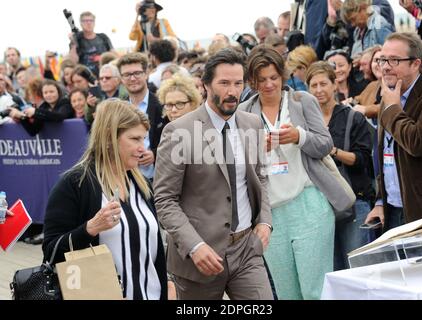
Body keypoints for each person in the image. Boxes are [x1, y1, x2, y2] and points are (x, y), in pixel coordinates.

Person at [154, 48, 274, 300]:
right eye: (224, 83)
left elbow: (261, 177)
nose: (232, 91)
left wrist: (264, 221)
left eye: (238, 83)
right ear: (206, 85)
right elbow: (165, 200)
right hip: (199, 258)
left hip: (246, 250)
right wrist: (194, 246)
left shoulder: (252, 123)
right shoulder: (178, 131)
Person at [42, 99, 168, 300]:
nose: (143, 148)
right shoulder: (76, 183)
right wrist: (90, 228)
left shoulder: (142, 184)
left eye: (144, 139)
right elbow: (51, 252)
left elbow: (153, 251)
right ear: (109, 138)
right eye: (134, 139)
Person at [239, 47, 336, 299]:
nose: (269, 84)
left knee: (315, 291)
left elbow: (325, 144)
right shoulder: (243, 112)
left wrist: (298, 136)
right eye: (262, 79)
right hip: (269, 214)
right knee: (286, 293)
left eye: (274, 77)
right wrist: (256, 147)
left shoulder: (302, 100)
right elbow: (235, 161)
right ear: (253, 81)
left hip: (309, 204)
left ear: (283, 75)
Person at [365, 32, 422, 228]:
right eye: (383, 59)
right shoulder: (389, 97)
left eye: (394, 60)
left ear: (415, 64)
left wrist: (393, 108)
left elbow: (417, 143)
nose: (385, 66)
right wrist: (380, 201)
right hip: (392, 209)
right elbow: (385, 155)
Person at [306, 61, 375, 270]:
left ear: (334, 85)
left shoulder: (352, 117)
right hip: (319, 206)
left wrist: (331, 150)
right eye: (313, 85)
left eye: (323, 84)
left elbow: (362, 159)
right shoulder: (305, 121)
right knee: (331, 271)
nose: (319, 90)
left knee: (358, 268)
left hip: (354, 201)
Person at [117, 52, 165, 181]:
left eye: (137, 73)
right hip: (126, 178)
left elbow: (175, 140)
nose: (132, 79)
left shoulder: (162, 104)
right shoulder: (118, 108)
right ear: (121, 78)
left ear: (146, 73)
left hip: (156, 179)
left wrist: (155, 154)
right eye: (127, 75)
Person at [68, 11, 114, 77]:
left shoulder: (103, 37)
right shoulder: (77, 40)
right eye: (85, 21)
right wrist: (73, 42)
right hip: (87, 78)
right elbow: (73, 61)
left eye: (91, 20)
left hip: (105, 76)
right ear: (81, 23)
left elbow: (113, 55)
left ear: (94, 23)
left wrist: (102, 58)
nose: (89, 23)